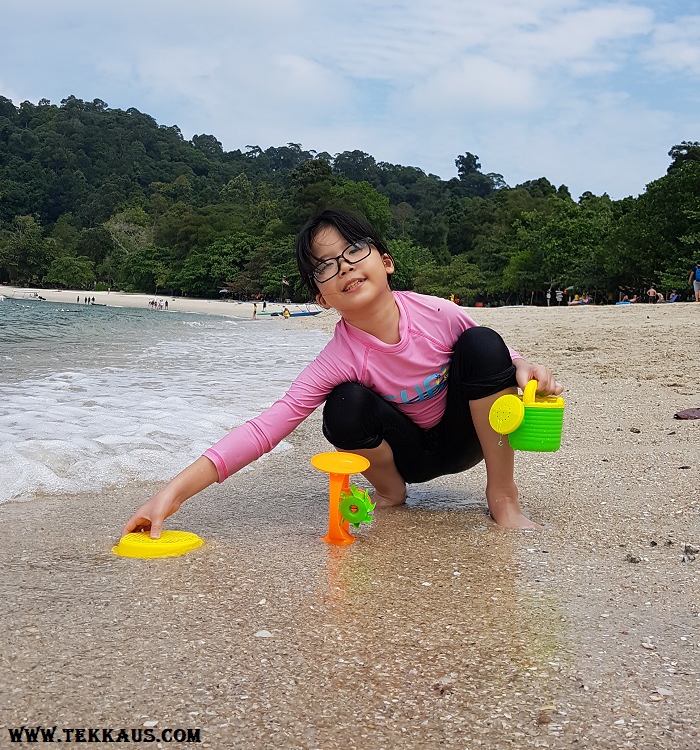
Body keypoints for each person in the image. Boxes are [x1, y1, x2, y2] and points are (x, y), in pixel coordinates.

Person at [121, 209, 562, 538]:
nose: (345, 265)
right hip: (404, 459)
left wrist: (524, 367)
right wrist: (173, 493)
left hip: (468, 439)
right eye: (326, 265)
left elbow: (499, 361)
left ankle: (502, 496)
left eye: (354, 250)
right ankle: (390, 494)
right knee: (345, 404)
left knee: (484, 342)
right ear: (323, 298)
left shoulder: (438, 313)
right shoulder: (339, 357)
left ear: (385, 261)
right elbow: (265, 429)